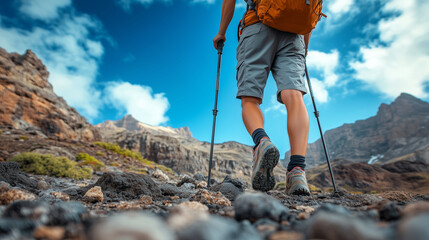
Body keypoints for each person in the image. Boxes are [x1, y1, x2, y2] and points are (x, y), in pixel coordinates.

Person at [213, 0, 312, 195]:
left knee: (249, 98)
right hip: (295, 34)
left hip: (257, 26)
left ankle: (261, 141)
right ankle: (297, 170)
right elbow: (310, 13)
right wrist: (304, 48)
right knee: (294, 96)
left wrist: (221, 32)